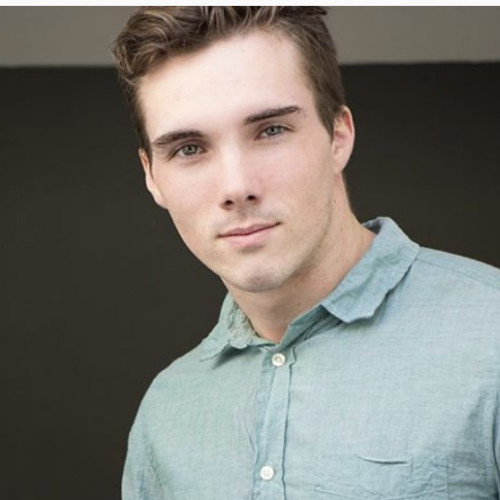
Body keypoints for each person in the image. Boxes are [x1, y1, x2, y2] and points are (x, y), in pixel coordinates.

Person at [113, 7, 500, 499]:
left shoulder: (490, 341)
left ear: (338, 135)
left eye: (270, 130)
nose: (236, 187)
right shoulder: (168, 412)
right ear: (152, 177)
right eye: (188, 149)